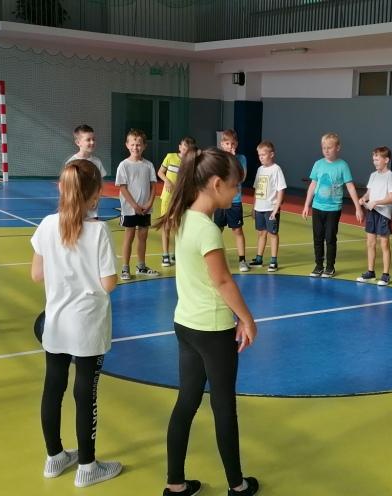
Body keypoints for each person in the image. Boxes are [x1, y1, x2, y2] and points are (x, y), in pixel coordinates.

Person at [156, 148, 260, 496]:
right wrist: (247, 319)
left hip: (185, 325)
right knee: (224, 406)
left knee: (186, 401)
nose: (237, 193)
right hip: (212, 330)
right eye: (234, 186)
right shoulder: (208, 229)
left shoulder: (183, 217)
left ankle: (175, 483)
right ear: (216, 184)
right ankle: (237, 485)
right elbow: (223, 281)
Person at [31, 160, 122, 488]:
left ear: (62, 188)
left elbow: (36, 274)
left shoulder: (46, 225)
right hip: (87, 324)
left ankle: (54, 456)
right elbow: (108, 283)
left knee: (52, 387)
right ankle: (87, 465)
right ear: (96, 195)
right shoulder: (99, 231)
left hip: (56, 322)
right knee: (86, 393)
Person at [301, 132, 364, 278]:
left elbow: (350, 187)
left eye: (329, 147)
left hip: (333, 209)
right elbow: (312, 185)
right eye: (324, 148)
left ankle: (330, 267)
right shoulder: (318, 164)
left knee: (330, 237)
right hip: (317, 207)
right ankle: (318, 266)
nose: (326, 150)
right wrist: (306, 205)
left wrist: (358, 208)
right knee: (317, 237)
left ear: (338, 148)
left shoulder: (343, 166)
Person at [115, 129, 159, 279]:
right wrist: (134, 205)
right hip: (129, 209)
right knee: (129, 236)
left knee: (143, 237)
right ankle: (125, 268)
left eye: (139, 144)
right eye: (133, 144)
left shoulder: (148, 165)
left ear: (144, 146)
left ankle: (141, 266)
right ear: (127, 145)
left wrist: (149, 203)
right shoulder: (123, 165)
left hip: (145, 209)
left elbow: (153, 186)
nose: (135, 147)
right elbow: (123, 188)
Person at [356, 146, 392, 286]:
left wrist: (376, 202)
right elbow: (369, 193)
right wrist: (364, 198)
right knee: (370, 243)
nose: (375, 162)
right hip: (371, 213)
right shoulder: (373, 175)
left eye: (377, 159)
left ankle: (385, 275)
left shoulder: (390, 176)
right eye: (374, 159)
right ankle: (370, 272)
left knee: (384, 244)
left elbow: (391, 198)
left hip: (383, 214)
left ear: (386, 160)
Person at [214, 130, 250, 272]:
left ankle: (242, 260)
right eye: (227, 143)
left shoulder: (241, 159)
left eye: (233, 144)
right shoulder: (218, 159)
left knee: (237, 230)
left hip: (235, 201)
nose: (230, 146)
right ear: (222, 144)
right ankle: (215, 259)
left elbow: (241, 177)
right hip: (220, 201)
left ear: (237, 144)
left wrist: (233, 159)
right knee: (217, 230)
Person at [157, 136, 196, 267]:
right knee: (166, 226)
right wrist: (167, 181)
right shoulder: (170, 157)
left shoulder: (190, 163)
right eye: (184, 147)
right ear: (180, 147)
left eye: (188, 149)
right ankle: (165, 255)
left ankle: (176, 253)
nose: (185, 151)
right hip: (168, 197)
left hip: (181, 198)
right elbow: (160, 172)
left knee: (178, 226)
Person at [250, 141, 287, 272]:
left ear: (271, 154)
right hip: (259, 208)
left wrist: (276, 208)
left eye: (263, 155)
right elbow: (257, 189)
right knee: (261, 233)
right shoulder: (260, 170)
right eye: (259, 155)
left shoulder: (276, 169)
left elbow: (281, 189)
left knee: (273, 233)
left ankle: (273, 261)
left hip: (271, 209)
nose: (261, 157)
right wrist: (254, 206)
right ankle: (259, 259)